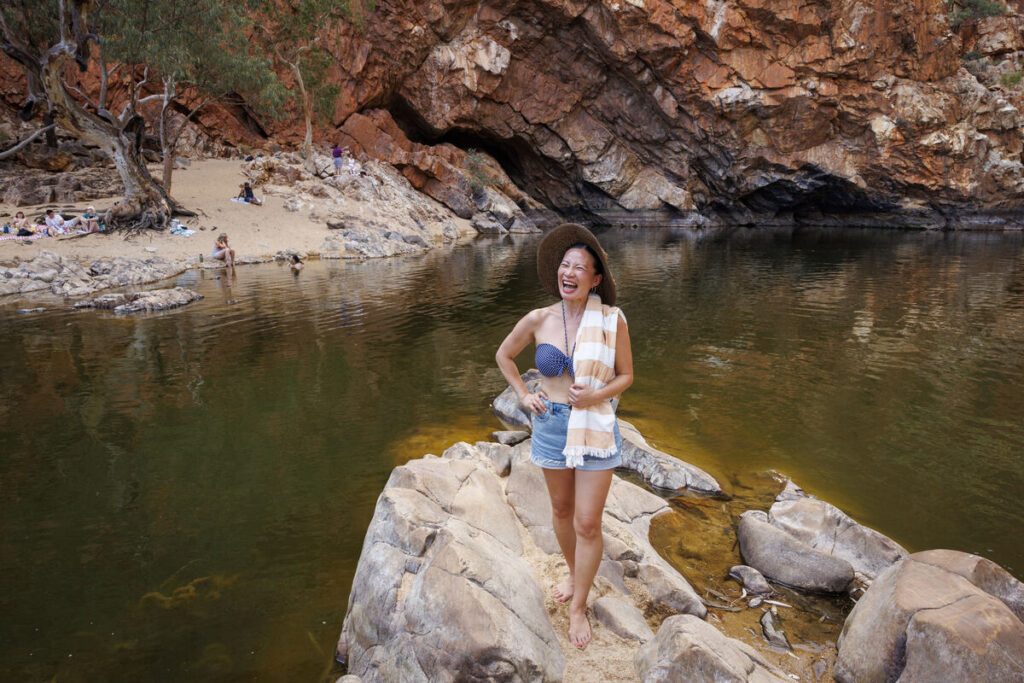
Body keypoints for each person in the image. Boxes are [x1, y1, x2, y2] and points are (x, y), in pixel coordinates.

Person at [495, 223, 633, 650]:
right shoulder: (539, 318)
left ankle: (578, 607)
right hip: (551, 422)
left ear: (596, 280)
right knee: (560, 509)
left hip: (594, 426)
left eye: (580, 268)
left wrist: (596, 395)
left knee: (587, 522)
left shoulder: (611, 320)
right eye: (565, 265)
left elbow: (627, 376)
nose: (569, 272)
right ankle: (574, 572)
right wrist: (522, 395)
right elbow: (504, 355)